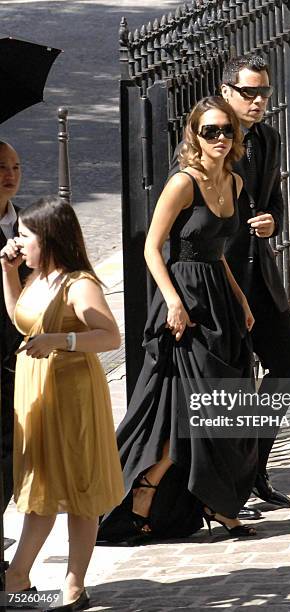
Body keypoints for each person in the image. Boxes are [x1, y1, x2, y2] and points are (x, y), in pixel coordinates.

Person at [98, 96, 258, 545]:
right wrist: (171, 301)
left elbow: (219, 253)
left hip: (218, 301)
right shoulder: (182, 183)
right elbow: (152, 246)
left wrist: (241, 298)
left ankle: (201, 498)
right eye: (211, 132)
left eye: (227, 130)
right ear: (194, 135)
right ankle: (156, 492)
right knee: (192, 404)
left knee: (223, 403)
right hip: (184, 301)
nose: (221, 139)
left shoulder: (236, 184)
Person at [170, 55, 290, 515]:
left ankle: (253, 468)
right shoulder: (207, 136)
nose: (257, 101)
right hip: (215, 280)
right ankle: (224, 491)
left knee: (289, 360)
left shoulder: (269, 140)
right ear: (227, 92)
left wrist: (272, 223)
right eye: (248, 92)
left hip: (259, 276)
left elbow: (273, 202)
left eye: (263, 93)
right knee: (231, 383)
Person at [0, 197, 124, 611]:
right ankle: (18, 576)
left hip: (72, 397)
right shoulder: (37, 277)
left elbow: (109, 336)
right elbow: (20, 317)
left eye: (25, 236)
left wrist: (61, 340)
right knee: (42, 488)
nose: (18, 242)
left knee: (79, 488)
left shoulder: (78, 283)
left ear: (48, 240)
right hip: (37, 391)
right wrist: (7, 272)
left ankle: (73, 583)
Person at [0, 140, 27, 512]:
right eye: (2, 167)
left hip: (21, 354)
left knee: (13, 449)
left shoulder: (28, 223)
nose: (10, 175)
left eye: (16, 167)